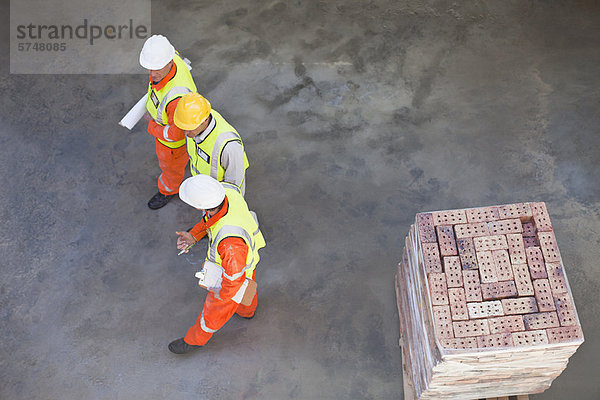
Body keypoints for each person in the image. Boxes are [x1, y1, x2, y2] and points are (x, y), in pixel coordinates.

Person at [169, 175, 266, 354]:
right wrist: (195, 234)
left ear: (199, 206)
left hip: (234, 271)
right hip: (247, 262)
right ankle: (247, 312)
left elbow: (233, 283)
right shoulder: (228, 192)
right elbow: (213, 219)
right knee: (248, 287)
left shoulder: (230, 245)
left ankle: (195, 340)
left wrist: (221, 298)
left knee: (215, 310)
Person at [139, 35, 197, 209]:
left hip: (171, 145)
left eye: (157, 68)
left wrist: (152, 125)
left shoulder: (176, 99)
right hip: (171, 126)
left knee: (170, 168)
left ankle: (168, 190)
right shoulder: (173, 58)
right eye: (149, 68)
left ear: (169, 61)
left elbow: (175, 134)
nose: (152, 73)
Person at [173, 92, 249, 195]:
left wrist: (216, 205)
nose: (185, 133)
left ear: (205, 120)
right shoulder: (195, 120)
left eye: (189, 128)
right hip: (204, 189)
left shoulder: (229, 146)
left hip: (219, 196)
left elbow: (234, 186)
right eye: (184, 128)